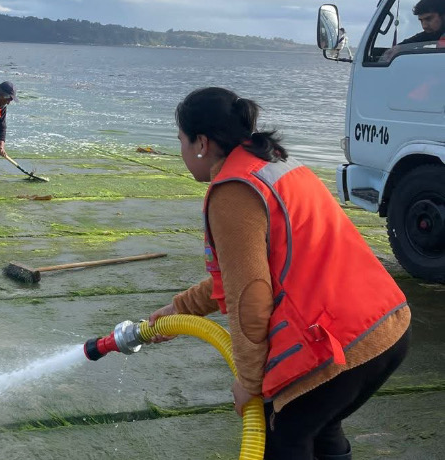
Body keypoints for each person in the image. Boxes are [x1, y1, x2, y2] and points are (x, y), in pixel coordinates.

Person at [147, 87, 411, 459]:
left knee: (283, 432)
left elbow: (250, 298)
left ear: (202, 142)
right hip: (387, 325)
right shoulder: (273, 165)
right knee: (320, 427)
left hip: (342, 342)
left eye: (181, 142)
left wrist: (250, 383)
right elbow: (243, 275)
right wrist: (181, 309)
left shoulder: (233, 193)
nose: (182, 153)